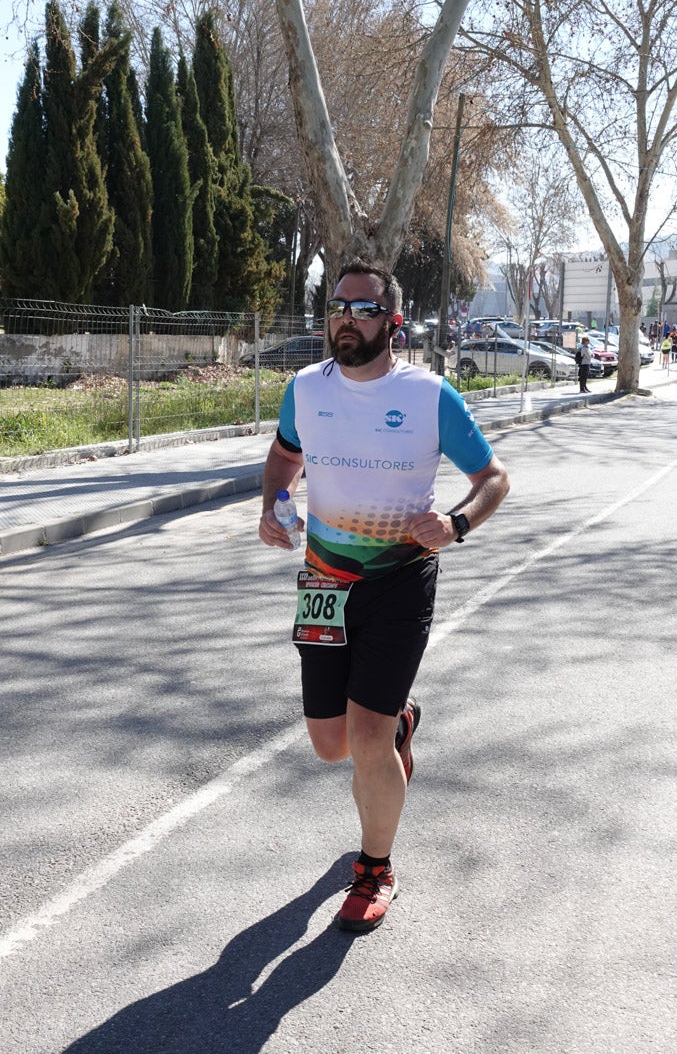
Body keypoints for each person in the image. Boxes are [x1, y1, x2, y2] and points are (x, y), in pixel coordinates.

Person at [258, 259, 510, 934]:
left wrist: (454, 523)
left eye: (362, 308)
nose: (345, 317)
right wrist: (271, 505)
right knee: (329, 745)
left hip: (400, 579)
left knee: (364, 738)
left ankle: (374, 868)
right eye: (337, 306)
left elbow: (492, 478)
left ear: (392, 322)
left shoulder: (430, 396)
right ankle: (400, 723)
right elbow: (285, 457)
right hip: (322, 580)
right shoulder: (304, 390)